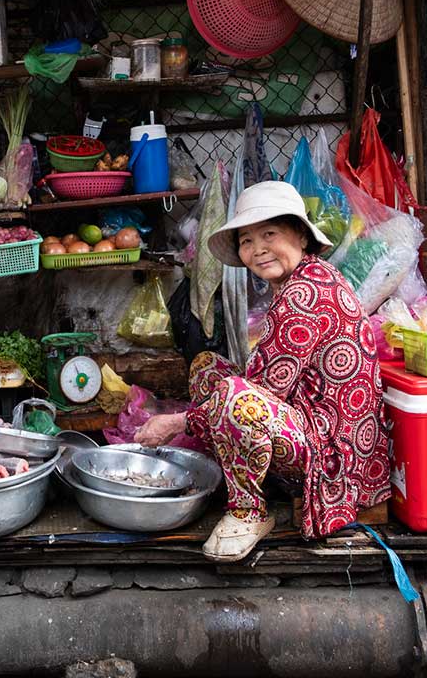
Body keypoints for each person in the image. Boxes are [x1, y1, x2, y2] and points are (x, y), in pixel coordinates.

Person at [136, 181, 390, 562]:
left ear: (301, 236)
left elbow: (254, 394)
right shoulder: (303, 279)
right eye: (247, 240)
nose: (258, 249)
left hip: (333, 459)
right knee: (208, 368)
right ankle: (253, 478)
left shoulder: (305, 296)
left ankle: (249, 511)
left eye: (269, 234)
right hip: (314, 426)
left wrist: (175, 422)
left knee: (235, 400)